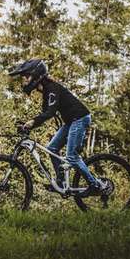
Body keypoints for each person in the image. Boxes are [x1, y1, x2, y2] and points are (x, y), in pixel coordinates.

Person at [9, 58, 103, 196]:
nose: (25, 81)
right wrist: (29, 124)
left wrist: (33, 122)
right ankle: (61, 182)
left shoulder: (52, 88)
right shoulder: (47, 91)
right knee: (52, 148)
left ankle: (95, 185)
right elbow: (44, 114)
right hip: (71, 121)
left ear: (36, 75)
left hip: (80, 118)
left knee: (71, 156)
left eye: (26, 76)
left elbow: (50, 113)